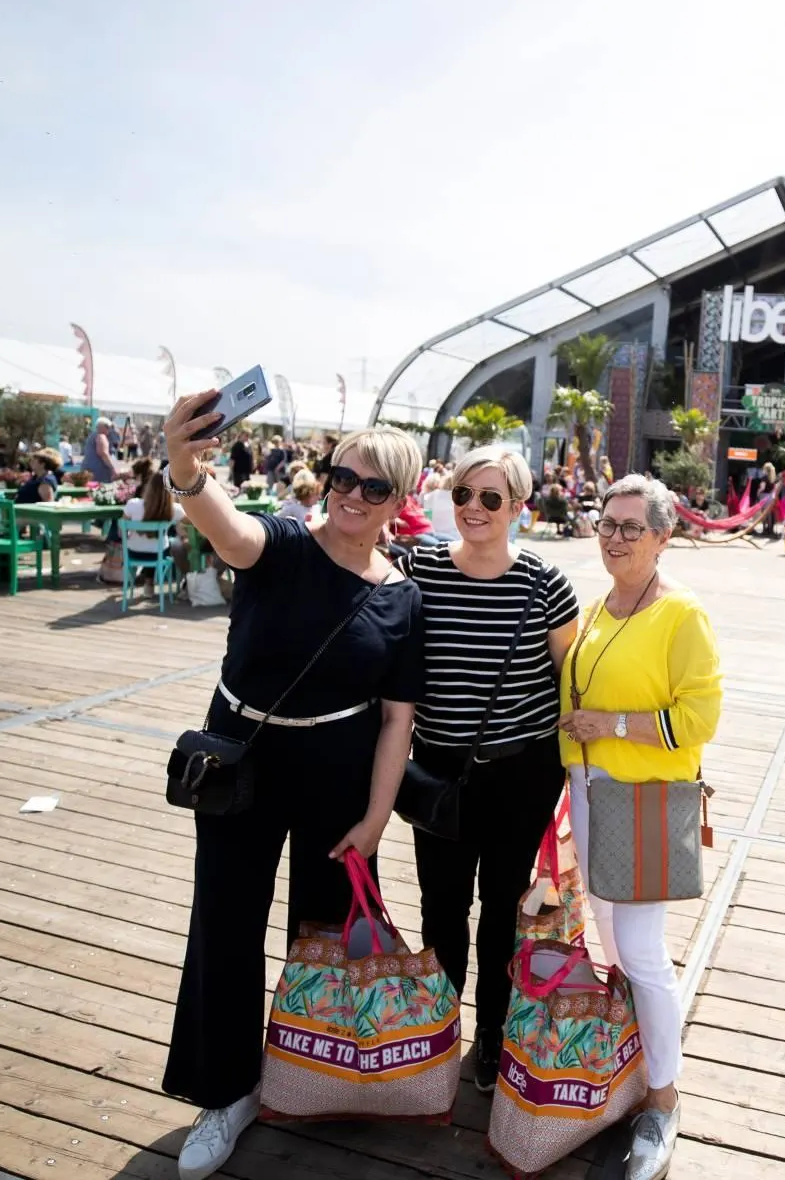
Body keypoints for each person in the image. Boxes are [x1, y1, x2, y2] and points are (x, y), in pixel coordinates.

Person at [157, 401, 424, 1180]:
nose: (353, 494)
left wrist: (376, 819)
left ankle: (312, 1068)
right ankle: (225, 1092)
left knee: (326, 930)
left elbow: (397, 722)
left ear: (398, 500)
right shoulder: (279, 544)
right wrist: (186, 467)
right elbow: (226, 528)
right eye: (344, 475)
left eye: (374, 487)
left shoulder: (402, 598)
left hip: (338, 767)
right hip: (242, 755)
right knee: (226, 923)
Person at [402, 445, 580, 1093]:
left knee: (502, 910)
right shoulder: (419, 566)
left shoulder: (544, 583)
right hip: (438, 768)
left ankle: (493, 1037)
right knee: (440, 907)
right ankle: (438, 1030)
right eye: (463, 496)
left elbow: (571, 679)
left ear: (518, 507)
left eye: (491, 498)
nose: (474, 509)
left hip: (521, 772)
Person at [557, 475, 720, 1180]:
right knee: (611, 942)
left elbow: (699, 719)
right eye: (607, 523)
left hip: (646, 803)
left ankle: (663, 1096)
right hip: (591, 795)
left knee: (642, 951)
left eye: (631, 527)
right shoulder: (597, 608)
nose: (615, 537)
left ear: (663, 536)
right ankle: (630, 1067)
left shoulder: (681, 615)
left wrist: (614, 726)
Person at [122, 469, 186, 562]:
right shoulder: (175, 509)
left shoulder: (133, 504)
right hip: (159, 554)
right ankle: (155, 576)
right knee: (175, 544)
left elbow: (121, 531)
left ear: (149, 487)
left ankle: (145, 575)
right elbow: (189, 526)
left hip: (134, 552)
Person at [422, 471, 460, 543]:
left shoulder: (431, 495)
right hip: (454, 537)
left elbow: (427, 515)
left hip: (433, 534)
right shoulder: (458, 499)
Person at [84, 417, 118, 483]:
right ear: (103, 427)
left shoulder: (92, 435)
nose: (109, 429)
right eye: (108, 427)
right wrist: (113, 469)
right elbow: (103, 453)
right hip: (98, 472)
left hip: (88, 469)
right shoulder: (101, 436)